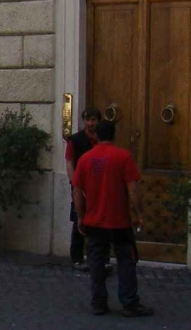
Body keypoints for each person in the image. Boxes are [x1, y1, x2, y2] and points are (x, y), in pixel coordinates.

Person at [73, 119, 151, 317]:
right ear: (114, 135)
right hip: (119, 221)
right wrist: (139, 214)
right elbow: (133, 190)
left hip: (94, 221)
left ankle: (98, 303)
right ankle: (129, 303)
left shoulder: (85, 159)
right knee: (126, 261)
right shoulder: (123, 157)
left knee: (96, 262)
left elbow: (77, 191)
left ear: (96, 135)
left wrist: (80, 217)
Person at [64, 108, 103, 272]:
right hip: (81, 185)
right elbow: (69, 162)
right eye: (87, 119)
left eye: (93, 120)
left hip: (99, 186)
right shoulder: (75, 140)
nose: (90, 123)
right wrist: (75, 184)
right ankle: (77, 258)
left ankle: (99, 257)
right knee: (79, 219)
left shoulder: (102, 139)